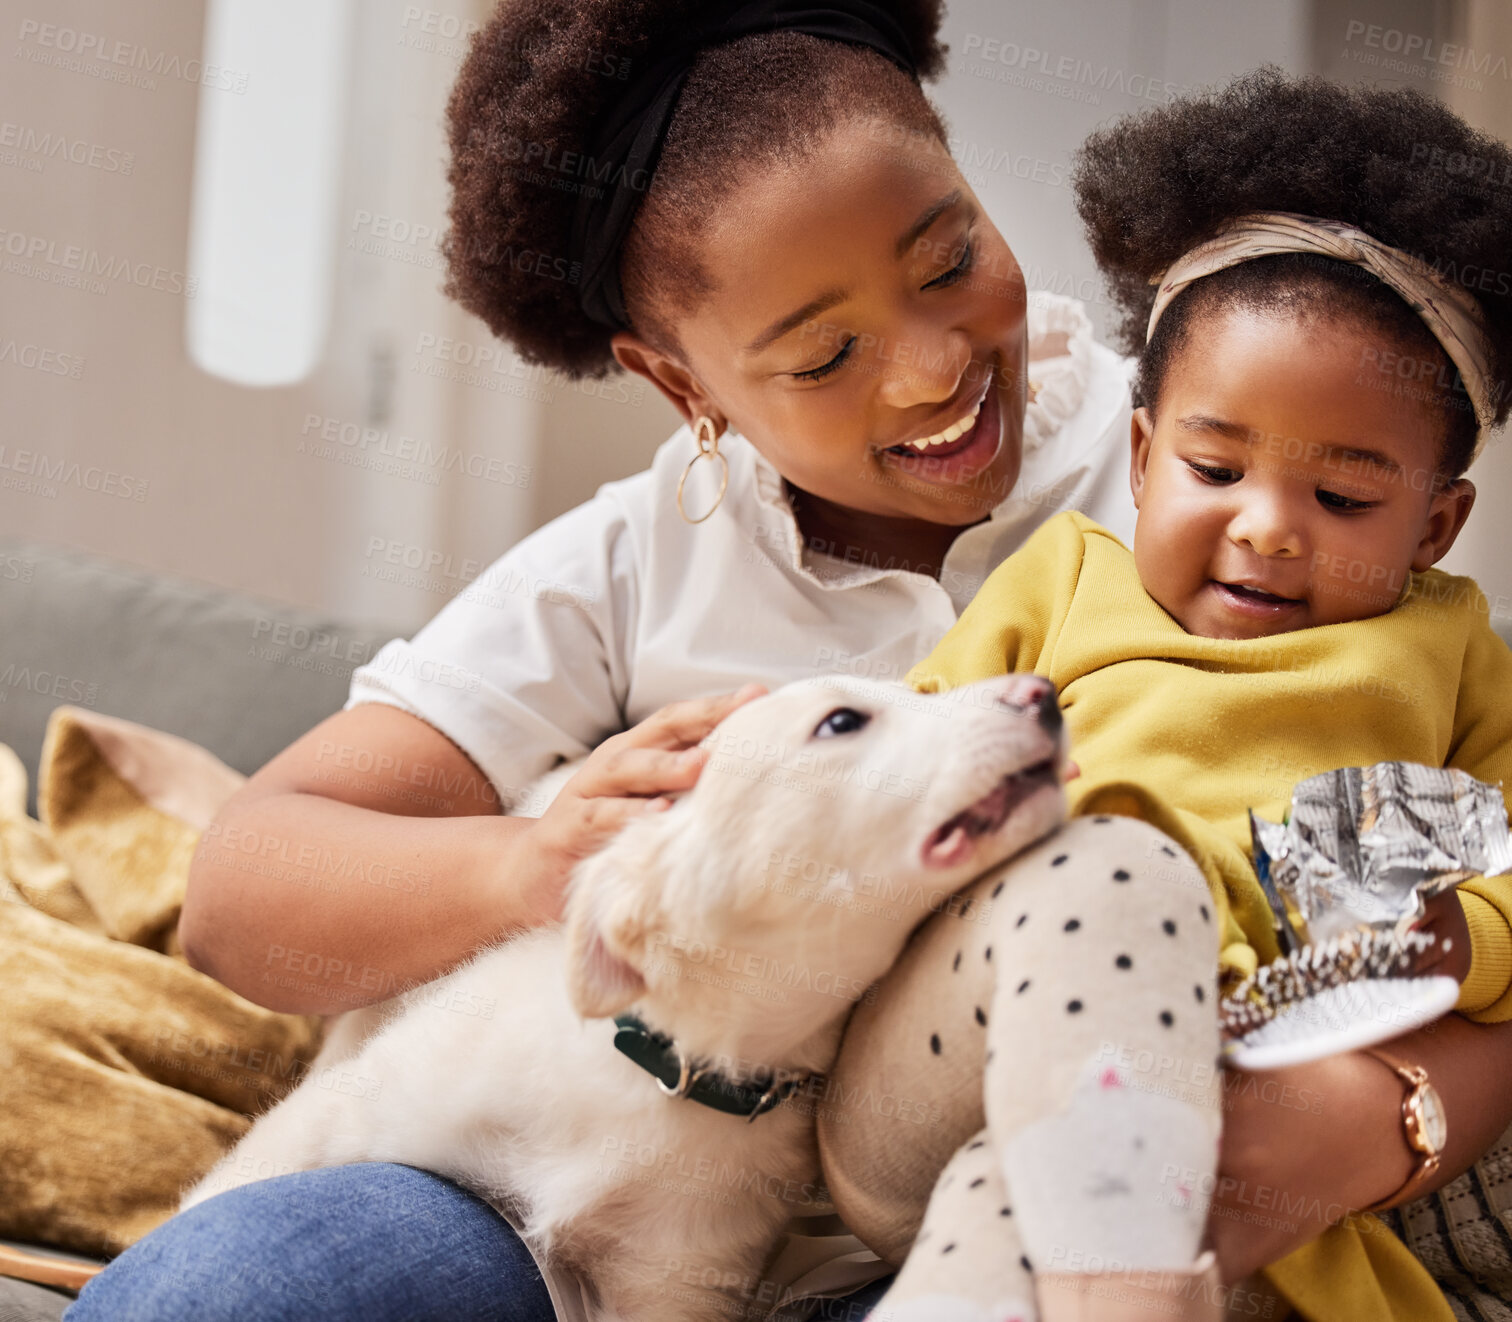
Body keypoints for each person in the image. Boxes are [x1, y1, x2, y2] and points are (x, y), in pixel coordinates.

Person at [59, 11, 1512, 1322]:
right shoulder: (629, 564)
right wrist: (540, 863)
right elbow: (245, 892)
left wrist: (1387, 1115)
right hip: (611, 1198)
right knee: (259, 1281)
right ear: (680, 379)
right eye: (822, 354)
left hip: (1028, 1182)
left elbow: (1448, 872)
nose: (932, 368)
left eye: (951, 259)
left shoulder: (1216, 453)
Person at [882, 68, 1512, 1322]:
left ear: (1438, 525)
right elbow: (909, 762)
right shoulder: (1063, 582)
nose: (1270, 531)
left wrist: (1457, 937)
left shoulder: (1446, 650)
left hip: (1257, 1099)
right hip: (1020, 1016)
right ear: (1138, 453)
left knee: (1020, 1207)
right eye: (1216, 467)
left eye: (1344, 499)